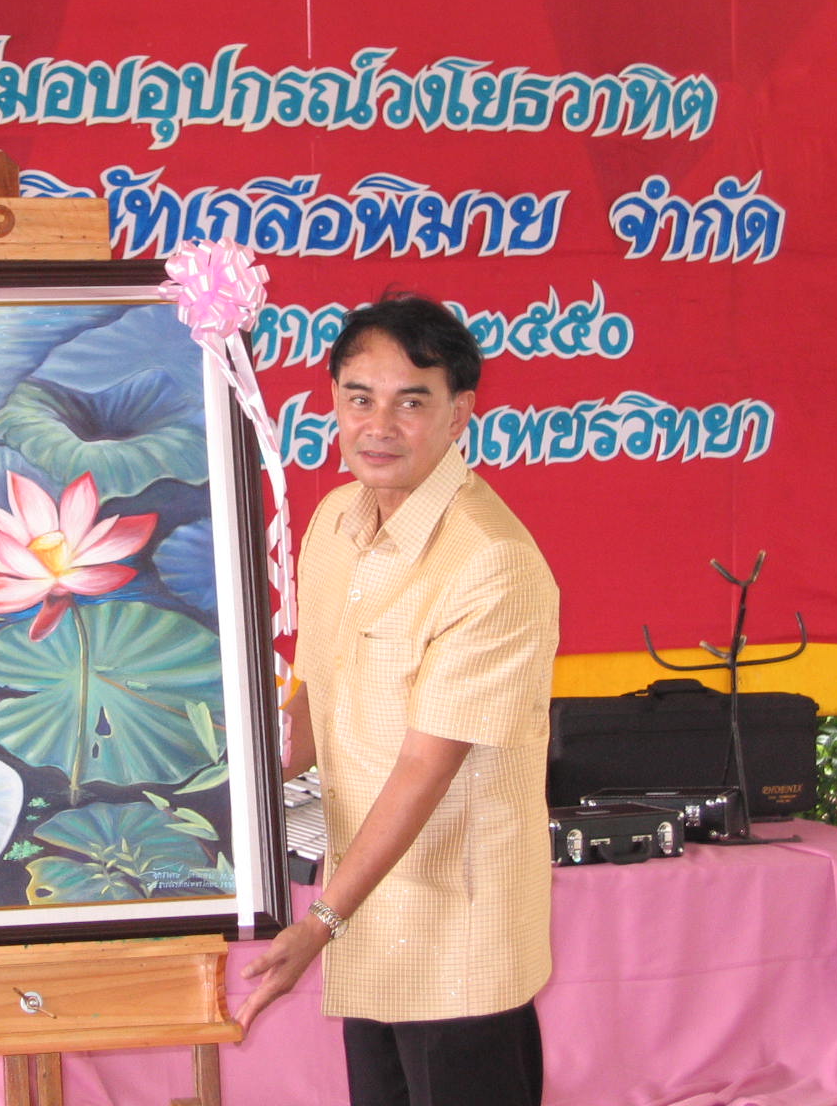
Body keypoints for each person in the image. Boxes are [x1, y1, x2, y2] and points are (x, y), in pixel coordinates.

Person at [236, 292, 559, 1106]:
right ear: (334, 403)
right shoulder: (334, 522)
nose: (379, 426)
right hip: (366, 913)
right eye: (360, 399)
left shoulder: (490, 561)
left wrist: (321, 923)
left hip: (457, 934)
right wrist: (218, 795)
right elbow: (315, 703)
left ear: (459, 415)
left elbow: (425, 765)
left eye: (411, 402)